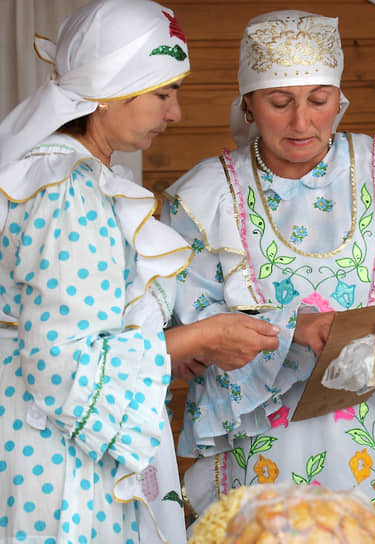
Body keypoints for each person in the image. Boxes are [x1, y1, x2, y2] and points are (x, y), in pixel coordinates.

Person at [161, 9, 375, 516]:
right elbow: (190, 321)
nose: (302, 121)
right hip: (265, 441)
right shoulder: (207, 195)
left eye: (318, 101)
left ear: (338, 101)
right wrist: (291, 330)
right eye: (280, 103)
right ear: (249, 106)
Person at [0, 1, 281, 542]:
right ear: (109, 93)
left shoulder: (56, 174)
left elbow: (76, 332)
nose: (174, 113)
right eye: (163, 93)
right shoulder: (69, 194)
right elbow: (62, 365)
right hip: (59, 468)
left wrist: (165, 353)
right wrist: (198, 336)